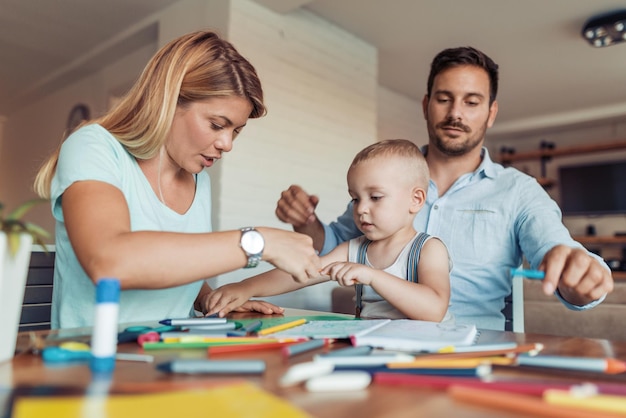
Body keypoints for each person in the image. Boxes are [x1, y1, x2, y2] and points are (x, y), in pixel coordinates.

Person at [274, 46, 614, 331]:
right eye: (444, 99)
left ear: (491, 113)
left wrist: (580, 276)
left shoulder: (520, 193)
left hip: (473, 349)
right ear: (426, 105)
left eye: (471, 102)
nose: (455, 113)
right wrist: (306, 223)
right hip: (376, 340)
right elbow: (334, 250)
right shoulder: (383, 182)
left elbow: (561, 254)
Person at [33, 30, 322, 329]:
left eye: (235, 131)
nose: (227, 144)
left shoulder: (199, 180)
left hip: (173, 355)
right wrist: (259, 242)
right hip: (90, 361)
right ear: (169, 101)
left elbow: (172, 261)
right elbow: (109, 261)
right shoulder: (93, 147)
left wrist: (209, 297)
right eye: (216, 125)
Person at [205, 139, 451, 322]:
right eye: (355, 199)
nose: (361, 209)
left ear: (416, 200)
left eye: (375, 197)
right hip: (372, 347)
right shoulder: (354, 249)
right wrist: (245, 287)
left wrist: (373, 276)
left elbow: (434, 310)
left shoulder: (428, 249)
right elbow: (303, 271)